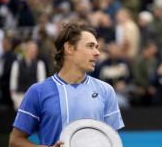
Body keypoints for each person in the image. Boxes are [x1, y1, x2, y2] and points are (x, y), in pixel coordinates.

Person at [9, 19, 124, 147]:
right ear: (69, 48)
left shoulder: (106, 90)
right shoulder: (38, 91)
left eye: (96, 47)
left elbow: (112, 141)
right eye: (90, 46)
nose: (97, 52)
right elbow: (15, 141)